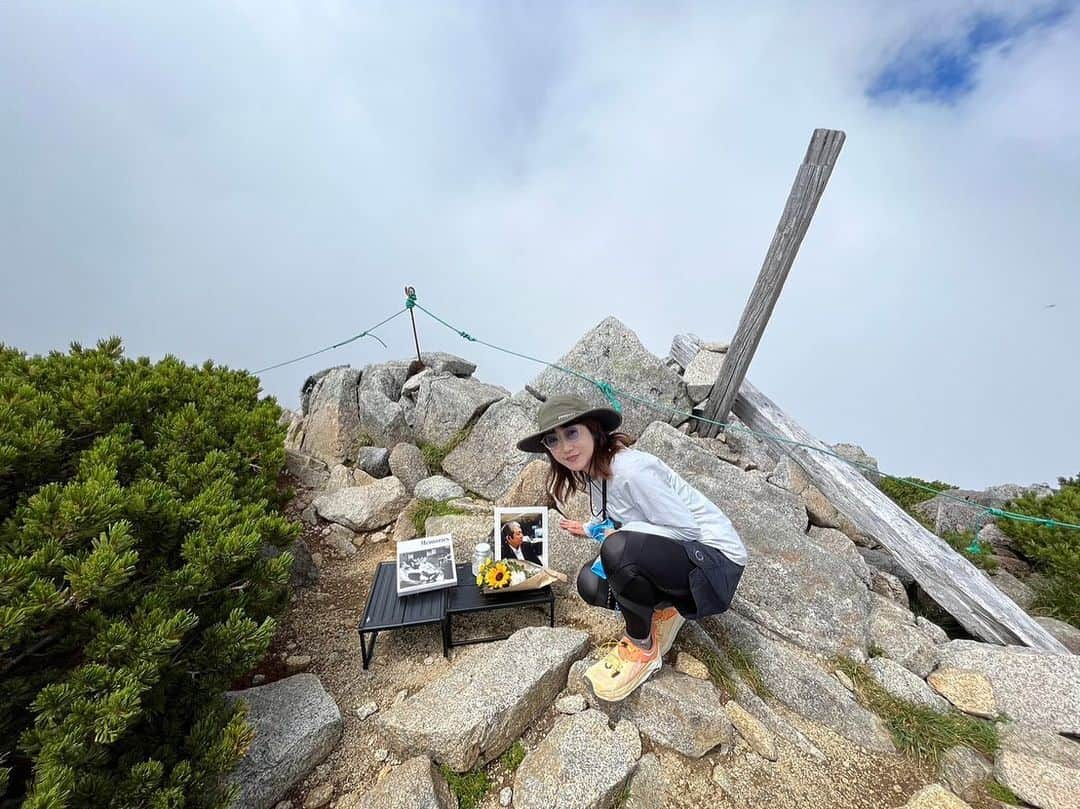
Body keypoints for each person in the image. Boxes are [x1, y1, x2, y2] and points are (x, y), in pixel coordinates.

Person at [517, 393, 747, 702]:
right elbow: (616, 521)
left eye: (572, 433)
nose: (565, 447)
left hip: (717, 565)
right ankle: (667, 609)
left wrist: (619, 536)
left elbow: (685, 529)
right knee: (590, 583)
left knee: (618, 552)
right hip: (685, 558)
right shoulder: (594, 471)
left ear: (594, 430)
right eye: (553, 440)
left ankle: (642, 647)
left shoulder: (630, 469)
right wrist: (588, 529)